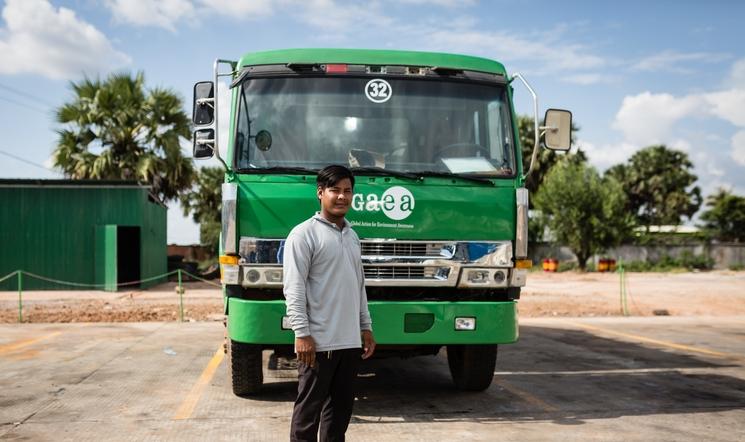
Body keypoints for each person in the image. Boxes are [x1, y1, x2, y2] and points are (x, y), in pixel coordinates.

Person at [283, 164, 376, 442]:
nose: (341, 196)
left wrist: (366, 327)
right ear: (320, 193)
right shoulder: (304, 235)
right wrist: (302, 333)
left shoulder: (352, 236)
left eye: (347, 191)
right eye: (335, 190)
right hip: (318, 344)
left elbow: (358, 287)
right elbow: (294, 288)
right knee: (308, 414)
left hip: (349, 344)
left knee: (339, 416)